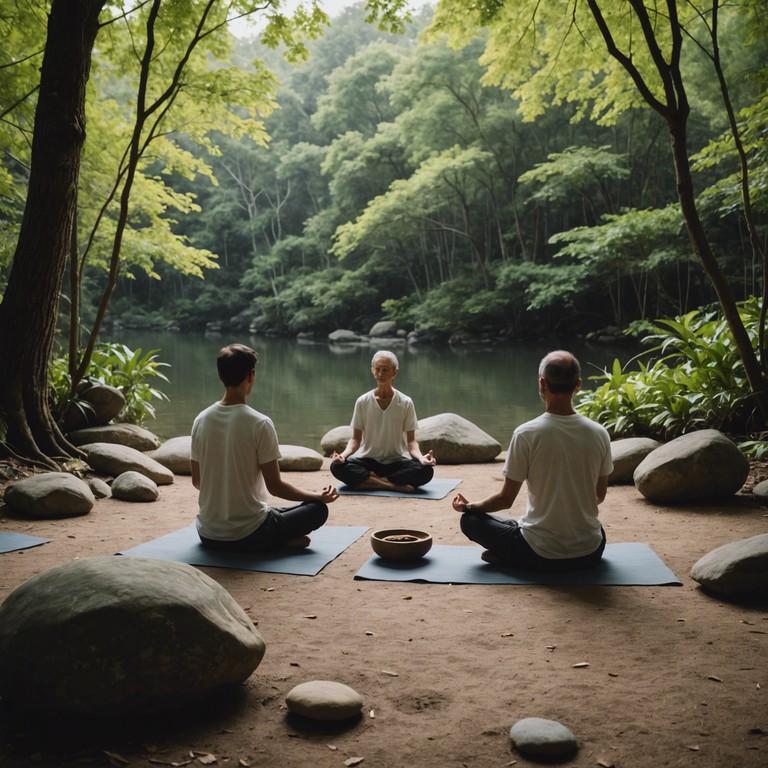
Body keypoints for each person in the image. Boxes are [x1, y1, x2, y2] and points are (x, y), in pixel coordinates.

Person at [452, 350, 612, 570]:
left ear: (541, 383)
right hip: (590, 552)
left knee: (471, 520)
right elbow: (599, 495)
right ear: (578, 384)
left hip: (539, 552)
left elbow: (505, 500)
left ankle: (513, 557)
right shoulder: (599, 433)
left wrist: (468, 507)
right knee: (593, 529)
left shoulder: (526, 434)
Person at [191, 343, 338, 552]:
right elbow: (275, 487)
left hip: (208, 534)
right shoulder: (260, 423)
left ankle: (274, 540)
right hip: (250, 533)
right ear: (251, 375)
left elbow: (198, 481)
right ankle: (273, 542)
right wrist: (316, 496)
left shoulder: (200, 420)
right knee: (316, 510)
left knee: (273, 511)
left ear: (220, 376)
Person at [330, 350, 437, 492]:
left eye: (385, 370)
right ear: (372, 371)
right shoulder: (363, 401)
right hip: (367, 461)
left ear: (395, 372)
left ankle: (369, 482)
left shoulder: (406, 402)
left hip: (397, 462)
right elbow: (355, 440)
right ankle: (390, 485)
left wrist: (421, 458)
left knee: (426, 471)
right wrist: (342, 456)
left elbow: (411, 442)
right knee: (336, 467)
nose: (380, 374)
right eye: (377, 369)